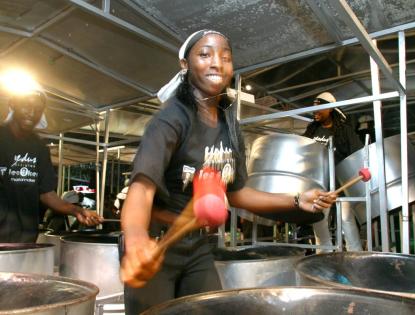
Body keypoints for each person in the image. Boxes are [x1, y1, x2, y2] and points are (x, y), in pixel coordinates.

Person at [120, 29, 336, 314]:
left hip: (197, 245)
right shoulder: (172, 117)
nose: (216, 63)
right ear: (185, 65)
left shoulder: (229, 126)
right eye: (205, 54)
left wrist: (297, 200)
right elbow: (142, 187)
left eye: (225, 56)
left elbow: (238, 193)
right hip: (155, 240)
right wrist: (136, 239)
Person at [0, 87, 103, 243]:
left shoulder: (39, 148)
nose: (32, 113)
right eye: (26, 105)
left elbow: (47, 194)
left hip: (25, 237)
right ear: (13, 104)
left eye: (38, 109)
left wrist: (77, 210)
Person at [303, 92, 363, 253]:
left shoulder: (344, 131)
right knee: (319, 222)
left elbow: (358, 154)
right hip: (319, 184)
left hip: (341, 185)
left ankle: (355, 254)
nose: (315, 112)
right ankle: (324, 254)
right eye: (314, 109)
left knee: (346, 220)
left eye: (320, 108)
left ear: (330, 109)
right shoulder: (311, 131)